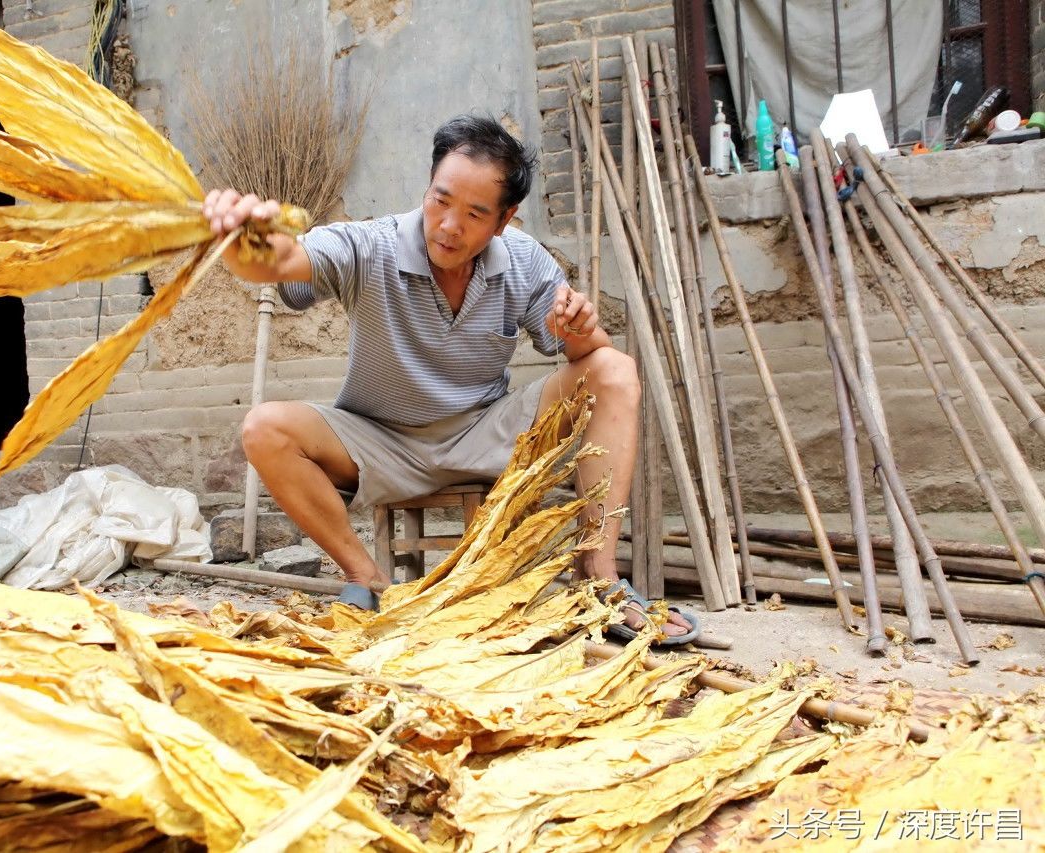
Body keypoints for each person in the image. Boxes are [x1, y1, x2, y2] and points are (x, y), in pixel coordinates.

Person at [205, 114, 694, 640]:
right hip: (380, 441)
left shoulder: (525, 262)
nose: (449, 226)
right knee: (264, 427)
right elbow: (282, 261)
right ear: (427, 189)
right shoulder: (370, 245)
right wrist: (245, 244)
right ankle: (366, 576)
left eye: (474, 214)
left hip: (485, 434)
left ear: (504, 221)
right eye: (440, 200)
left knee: (615, 371)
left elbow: (584, 354)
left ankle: (598, 574)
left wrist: (579, 328)